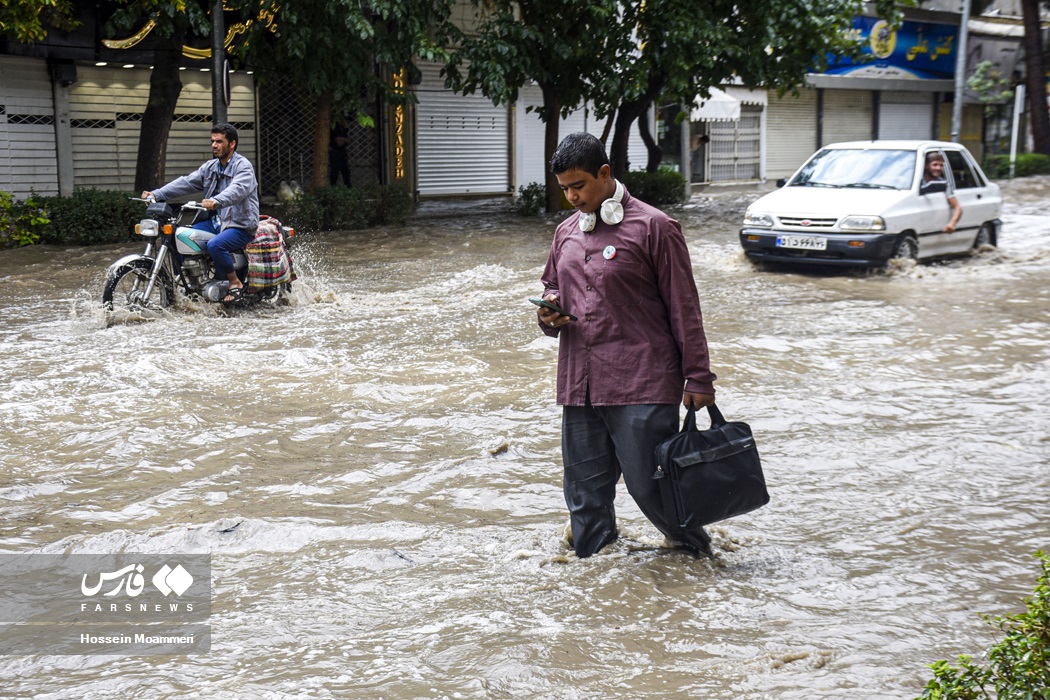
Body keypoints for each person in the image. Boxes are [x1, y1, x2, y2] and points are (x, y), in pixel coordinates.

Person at [536, 132, 718, 559]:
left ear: (604, 173)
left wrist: (699, 376)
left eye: (578, 186)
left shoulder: (655, 227)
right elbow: (551, 289)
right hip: (579, 385)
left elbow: (684, 307)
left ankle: (701, 560)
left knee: (650, 487)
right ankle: (594, 577)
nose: (571, 197)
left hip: (642, 382)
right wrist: (548, 313)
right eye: (563, 189)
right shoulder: (566, 233)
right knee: (583, 495)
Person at [142, 123, 259, 305]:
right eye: (212, 141)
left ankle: (234, 282)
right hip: (215, 222)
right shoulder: (210, 167)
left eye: (219, 141)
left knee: (215, 245)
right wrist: (156, 194)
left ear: (232, 144)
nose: (214, 145)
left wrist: (217, 200)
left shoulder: (243, 167)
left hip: (239, 224)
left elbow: (238, 189)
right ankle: (188, 283)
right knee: (177, 236)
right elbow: (186, 183)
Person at [923, 151, 962, 233]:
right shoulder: (918, 182)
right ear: (927, 165)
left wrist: (952, 224)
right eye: (935, 164)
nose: (938, 168)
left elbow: (958, 208)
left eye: (941, 165)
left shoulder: (944, 184)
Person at [329, 119, 351, 186]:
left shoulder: (344, 128)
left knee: (345, 171)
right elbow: (338, 141)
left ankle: (347, 186)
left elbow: (348, 140)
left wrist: (344, 140)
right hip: (334, 151)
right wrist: (344, 140)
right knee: (335, 171)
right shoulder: (335, 127)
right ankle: (334, 186)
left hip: (342, 151)